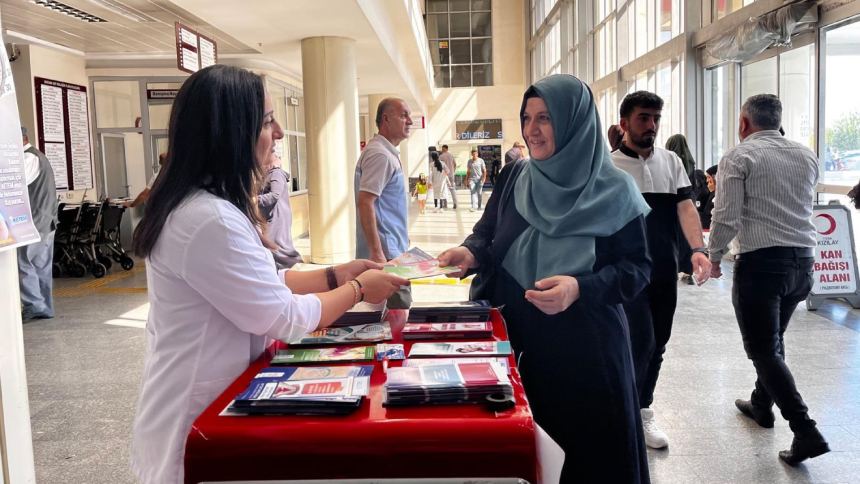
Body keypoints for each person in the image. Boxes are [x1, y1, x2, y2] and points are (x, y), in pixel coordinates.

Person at [129, 65, 408, 484]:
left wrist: (335, 274)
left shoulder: (209, 206)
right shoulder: (208, 218)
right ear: (230, 132)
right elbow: (283, 317)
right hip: (193, 416)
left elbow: (264, 284)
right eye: (266, 122)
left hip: (219, 402)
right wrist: (357, 290)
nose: (278, 132)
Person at [439, 74, 652, 483]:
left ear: (575, 123)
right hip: (518, 343)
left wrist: (580, 288)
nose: (531, 130)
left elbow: (636, 269)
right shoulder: (515, 176)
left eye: (545, 118)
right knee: (524, 451)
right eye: (526, 117)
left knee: (585, 458)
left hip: (585, 350)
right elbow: (486, 234)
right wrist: (469, 252)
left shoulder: (615, 189)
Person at [708, 94, 829, 466]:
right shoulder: (807, 155)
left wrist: (713, 257)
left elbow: (725, 214)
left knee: (763, 350)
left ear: (744, 123)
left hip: (761, 266)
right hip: (803, 264)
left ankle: (805, 430)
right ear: (778, 120)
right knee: (773, 341)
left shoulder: (740, 155)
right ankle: (761, 403)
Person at [610, 91, 711, 450]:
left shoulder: (671, 162)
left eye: (655, 118)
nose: (651, 125)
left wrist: (697, 250)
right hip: (624, 274)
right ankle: (625, 410)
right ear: (624, 124)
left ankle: (641, 408)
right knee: (639, 341)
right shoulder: (609, 168)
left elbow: (686, 209)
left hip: (664, 271)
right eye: (643, 118)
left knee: (658, 344)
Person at [355, 97, 414, 309]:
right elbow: (365, 203)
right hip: (387, 259)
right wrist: (377, 252)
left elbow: (385, 206)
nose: (410, 121)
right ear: (386, 119)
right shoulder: (379, 154)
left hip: (392, 251)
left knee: (391, 315)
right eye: (404, 115)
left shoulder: (384, 152)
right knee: (396, 313)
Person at [18, 126, 57, 321]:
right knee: (40, 265)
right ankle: (44, 308)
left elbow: (17, 184)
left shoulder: (29, 158)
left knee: (23, 262)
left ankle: (34, 305)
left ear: (21, 139)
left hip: (35, 221)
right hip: (45, 220)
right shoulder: (37, 156)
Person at [258, 151, 303, 269]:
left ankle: (293, 264)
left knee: (272, 244)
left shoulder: (276, 174)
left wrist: (254, 200)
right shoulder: (268, 175)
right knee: (275, 244)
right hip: (272, 215)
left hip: (278, 216)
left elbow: (274, 195)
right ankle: (281, 268)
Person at [666, 134, 697, 284]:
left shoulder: (669, 162)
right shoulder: (691, 162)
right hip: (689, 202)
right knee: (687, 238)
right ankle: (688, 272)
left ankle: (673, 268)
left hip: (673, 204)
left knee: (673, 237)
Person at [466, 148, 487, 212]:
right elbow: (468, 171)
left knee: (479, 193)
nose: (474, 155)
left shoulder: (481, 161)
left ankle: (479, 206)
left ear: (477, 154)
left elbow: (484, 170)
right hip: (472, 179)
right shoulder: (469, 161)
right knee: (472, 192)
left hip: (479, 179)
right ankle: (473, 206)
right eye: (473, 154)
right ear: (471, 154)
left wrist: (484, 178)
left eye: (476, 153)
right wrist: (466, 180)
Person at [439, 144, 458, 209]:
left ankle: (445, 204)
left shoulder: (441, 156)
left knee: (444, 189)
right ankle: (455, 203)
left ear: (443, 149)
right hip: (451, 176)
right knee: (452, 189)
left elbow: (440, 166)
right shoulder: (451, 155)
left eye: (442, 149)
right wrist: (453, 171)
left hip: (444, 176)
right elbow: (455, 164)